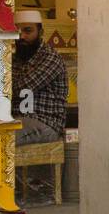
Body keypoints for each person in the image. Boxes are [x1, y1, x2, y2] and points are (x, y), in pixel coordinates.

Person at [12, 9, 68, 145]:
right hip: (17, 120)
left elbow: (21, 88)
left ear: (40, 32)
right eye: (18, 31)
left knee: (3, 137)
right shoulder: (16, 58)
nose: (22, 36)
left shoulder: (50, 58)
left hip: (45, 123)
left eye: (28, 31)